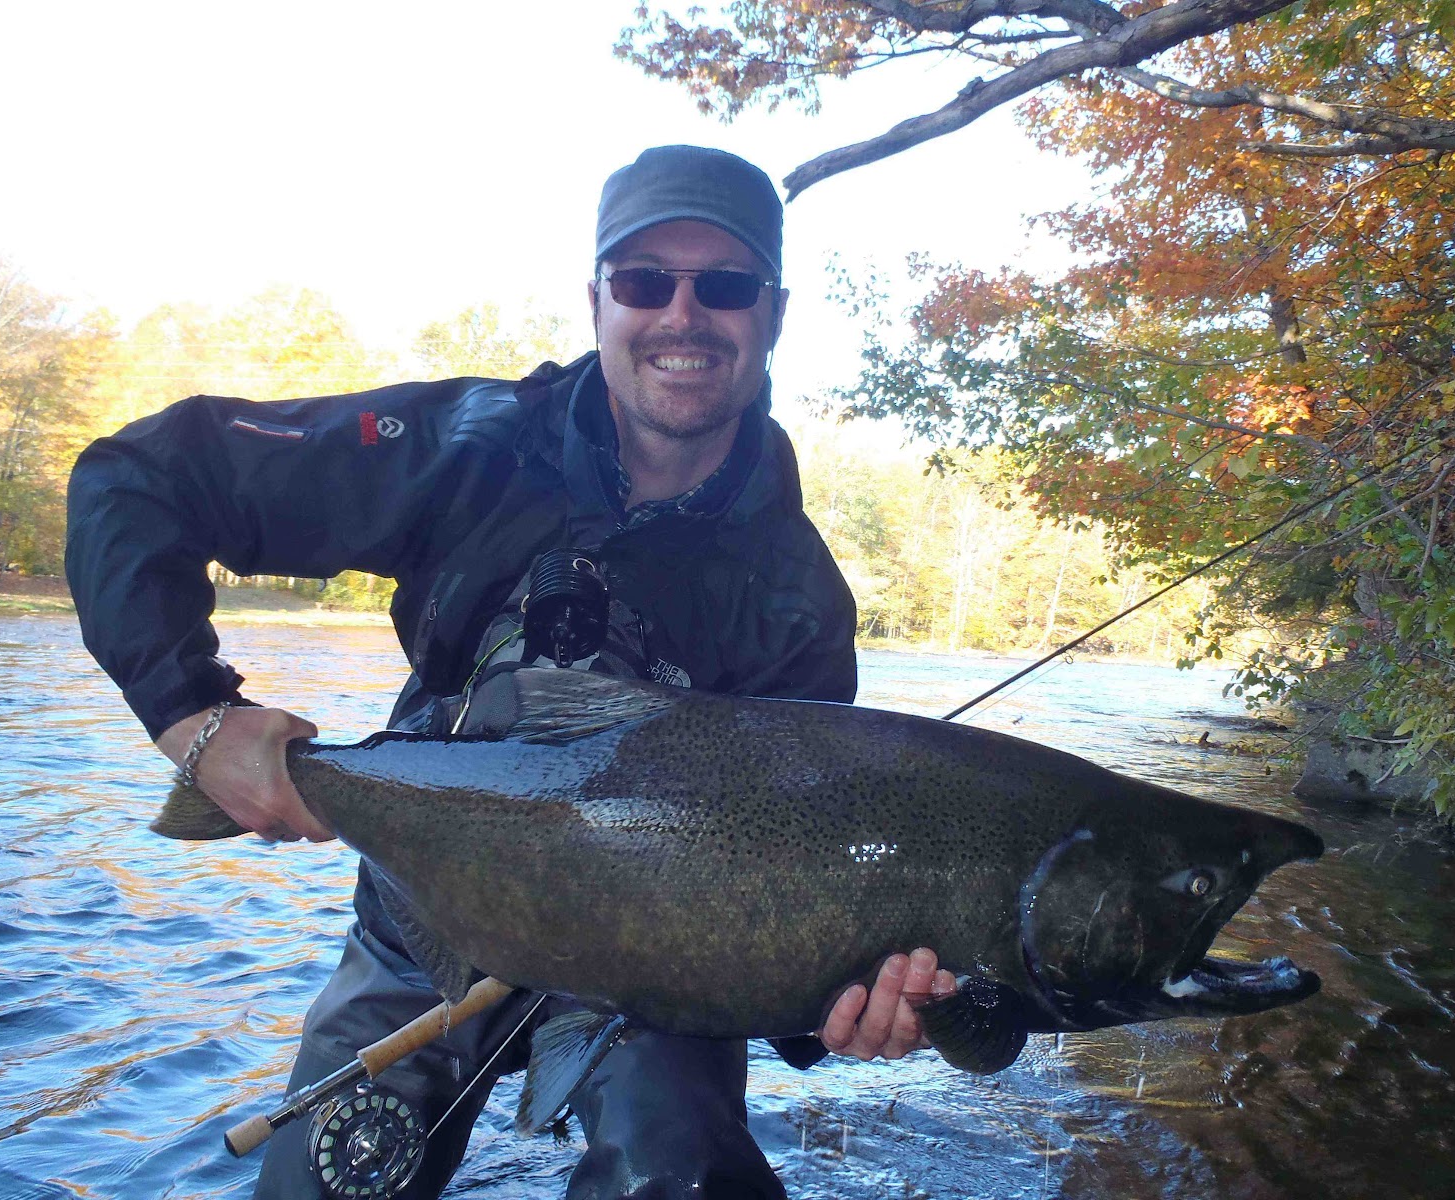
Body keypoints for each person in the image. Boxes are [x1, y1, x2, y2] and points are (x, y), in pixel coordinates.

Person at [66, 145, 956, 1199]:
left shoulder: (799, 601)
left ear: (772, 312)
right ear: (596, 301)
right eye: (642, 282)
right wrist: (193, 718)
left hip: (659, 969)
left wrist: (839, 1005)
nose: (682, 314)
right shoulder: (464, 446)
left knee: (684, 1179)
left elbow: (802, 882)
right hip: (422, 921)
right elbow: (137, 481)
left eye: (723, 285)